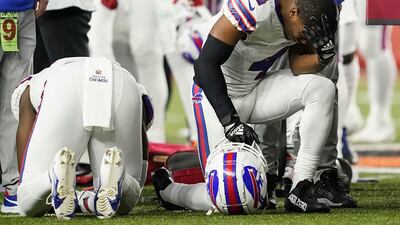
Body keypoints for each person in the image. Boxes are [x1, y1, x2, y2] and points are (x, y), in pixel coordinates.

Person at [153, 0, 341, 213]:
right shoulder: (253, 8)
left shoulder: (303, 15)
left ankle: (301, 187)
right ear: (293, 12)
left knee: (323, 88)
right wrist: (229, 121)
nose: (306, 38)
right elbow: (204, 65)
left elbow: (297, 64)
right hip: (216, 99)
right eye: (306, 32)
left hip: (254, 90)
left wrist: (321, 58)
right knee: (226, 196)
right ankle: (169, 190)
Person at [14, 57, 152, 219]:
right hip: (123, 82)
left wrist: (28, 181)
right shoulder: (137, 89)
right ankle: (120, 177)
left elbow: (24, 161)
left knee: (26, 202)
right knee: (123, 200)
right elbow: (141, 169)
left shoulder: (28, 88)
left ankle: (52, 176)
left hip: (64, 82)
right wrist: (134, 183)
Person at [0, 0, 48, 214]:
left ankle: (12, 186)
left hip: (23, 10)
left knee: (15, 105)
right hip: (20, 10)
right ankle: (11, 186)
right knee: (14, 105)